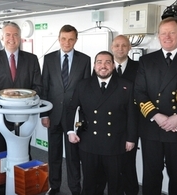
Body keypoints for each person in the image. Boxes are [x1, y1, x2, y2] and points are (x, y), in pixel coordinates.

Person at [67, 51, 137, 195]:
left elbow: (132, 114)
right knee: (90, 183)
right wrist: (70, 131)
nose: (103, 66)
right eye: (99, 62)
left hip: (115, 144)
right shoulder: (83, 85)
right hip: (89, 143)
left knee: (115, 184)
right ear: (94, 65)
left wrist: (131, 138)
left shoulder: (126, 86)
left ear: (113, 65)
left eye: (107, 62)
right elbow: (71, 109)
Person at [134, 17, 177, 195]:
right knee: (151, 175)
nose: (168, 37)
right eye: (164, 33)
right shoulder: (146, 61)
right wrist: (157, 116)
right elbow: (139, 93)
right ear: (158, 36)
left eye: (172, 32)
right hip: (152, 129)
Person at [41, 24, 91, 195]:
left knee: (73, 157)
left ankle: (75, 189)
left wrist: (82, 119)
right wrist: (44, 114)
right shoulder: (48, 59)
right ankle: (54, 187)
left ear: (76, 40)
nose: (67, 42)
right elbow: (45, 88)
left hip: (73, 117)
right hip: (53, 115)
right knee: (53, 155)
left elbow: (86, 91)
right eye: (63, 38)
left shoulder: (85, 60)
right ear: (58, 38)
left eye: (71, 39)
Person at [0, 22, 42, 154]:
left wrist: (23, 99)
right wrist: (3, 101)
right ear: (2, 38)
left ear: (20, 38)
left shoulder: (32, 59)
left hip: (24, 117)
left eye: (15, 35)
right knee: (0, 155)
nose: (11, 38)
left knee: (23, 154)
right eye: (8, 35)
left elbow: (38, 86)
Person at [96, 35, 140, 195]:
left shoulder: (139, 67)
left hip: (129, 125)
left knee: (128, 165)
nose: (120, 48)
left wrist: (132, 135)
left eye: (124, 45)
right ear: (111, 47)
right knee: (108, 168)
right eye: (116, 45)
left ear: (129, 48)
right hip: (108, 128)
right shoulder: (103, 68)